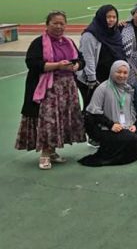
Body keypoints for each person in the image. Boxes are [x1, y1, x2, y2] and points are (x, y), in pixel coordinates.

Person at [16, 11, 85, 170]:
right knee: (49, 120)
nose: (59, 26)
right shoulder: (39, 42)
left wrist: (76, 66)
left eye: (62, 23)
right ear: (47, 25)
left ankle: (53, 151)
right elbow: (33, 63)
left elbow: (80, 60)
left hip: (67, 87)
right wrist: (57, 66)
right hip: (48, 89)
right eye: (55, 23)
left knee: (60, 120)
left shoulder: (68, 42)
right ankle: (45, 154)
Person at [79, 61, 137, 167]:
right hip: (105, 127)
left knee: (134, 138)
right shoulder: (103, 88)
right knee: (130, 138)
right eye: (119, 72)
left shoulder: (127, 89)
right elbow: (93, 112)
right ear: (112, 71)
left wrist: (131, 124)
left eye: (125, 73)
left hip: (123, 126)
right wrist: (111, 124)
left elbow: (130, 110)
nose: (122, 75)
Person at [77, 4, 128, 109]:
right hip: (94, 81)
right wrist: (92, 80)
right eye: (108, 17)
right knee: (93, 108)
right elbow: (88, 58)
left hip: (112, 78)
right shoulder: (90, 34)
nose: (111, 20)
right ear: (101, 17)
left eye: (114, 17)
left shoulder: (115, 32)